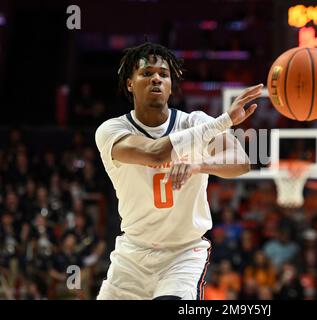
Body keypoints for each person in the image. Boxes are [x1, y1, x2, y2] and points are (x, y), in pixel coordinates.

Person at [94, 42, 262, 300]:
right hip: (132, 256)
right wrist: (224, 121)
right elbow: (155, 153)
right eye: (147, 73)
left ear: (171, 85)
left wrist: (199, 165)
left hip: (183, 254)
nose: (156, 79)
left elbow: (241, 161)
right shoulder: (113, 131)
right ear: (130, 83)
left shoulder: (194, 121)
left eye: (163, 74)